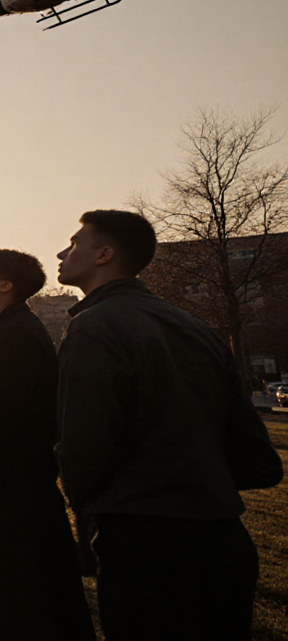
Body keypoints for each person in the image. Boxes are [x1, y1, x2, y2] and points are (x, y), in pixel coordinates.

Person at [56, 210, 273, 640]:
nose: (63, 252)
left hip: (146, 547)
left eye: (76, 242)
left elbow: (84, 448)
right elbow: (254, 454)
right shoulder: (199, 329)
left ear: (104, 254)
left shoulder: (92, 327)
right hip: (224, 541)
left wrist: (89, 505)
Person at [0, 250, 94, 641]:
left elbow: (2, 414)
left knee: (25, 599)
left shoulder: (16, 334)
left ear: (5, 285)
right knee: (22, 595)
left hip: (11, 492)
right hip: (8, 488)